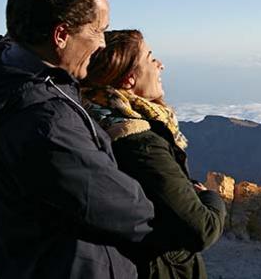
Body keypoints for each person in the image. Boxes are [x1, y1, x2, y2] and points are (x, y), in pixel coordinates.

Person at [0, 0, 156, 278]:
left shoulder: (2, 86)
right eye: (98, 30)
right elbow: (130, 214)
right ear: (60, 35)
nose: (103, 44)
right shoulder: (45, 120)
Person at [81, 29, 226, 279]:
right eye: (150, 58)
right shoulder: (139, 142)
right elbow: (201, 230)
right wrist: (212, 198)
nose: (161, 65)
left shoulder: (91, 118)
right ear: (129, 80)